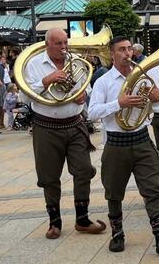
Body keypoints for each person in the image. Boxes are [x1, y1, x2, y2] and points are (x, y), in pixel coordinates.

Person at [85, 36, 159, 254]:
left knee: (153, 188)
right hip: (116, 143)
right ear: (112, 54)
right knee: (114, 191)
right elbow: (91, 113)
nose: (127, 53)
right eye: (122, 49)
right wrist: (118, 103)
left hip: (141, 138)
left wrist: (155, 96)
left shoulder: (143, 77)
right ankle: (117, 234)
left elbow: (156, 102)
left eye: (130, 49)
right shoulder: (103, 81)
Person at [22, 28, 105, 239]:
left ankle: (82, 218)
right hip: (46, 126)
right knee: (49, 176)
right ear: (47, 44)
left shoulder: (75, 60)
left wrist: (83, 95)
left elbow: (87, 88)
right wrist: (46, 80)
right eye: (58, 43)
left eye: (65, 43)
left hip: (75, 124)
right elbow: (26, 97)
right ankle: (54, 221)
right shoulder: (34, 64)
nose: (63, 48)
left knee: (84, 169)